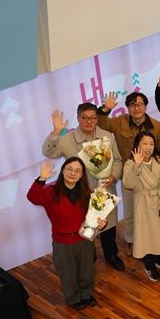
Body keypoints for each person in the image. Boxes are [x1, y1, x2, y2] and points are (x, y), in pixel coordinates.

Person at [42, 104, 125, 271]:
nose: (89, 121)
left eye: (93, 118)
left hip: (105, 190)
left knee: (108, 226)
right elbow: (49, 152)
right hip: (81, 193)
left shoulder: (107, 135)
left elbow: (117, 160)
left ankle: (111, 255)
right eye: (84, 118)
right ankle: (89, 257)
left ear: (97, 119)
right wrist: (56, 132)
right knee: (86, 227)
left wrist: (113, 176)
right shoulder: (68, 139)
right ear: (78, 118)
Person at [27, 158, 106, 310]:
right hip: (62, 243)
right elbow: (32, 197)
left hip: (84, 240)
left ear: (81, 175)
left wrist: (102, 224)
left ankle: (86, 295)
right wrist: (42, 178)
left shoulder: (87, 194)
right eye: (69, 169)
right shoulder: (50, 191)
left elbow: (97, 216)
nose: (73, 173)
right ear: (63, 170)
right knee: (68, 274)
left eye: (77, 171)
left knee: (87, 271)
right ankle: (73, 299)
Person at [98, 92, 160, 255]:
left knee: (152, 212)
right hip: (130, 177)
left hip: (151, 178)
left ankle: (151, 239)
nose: (136, 108)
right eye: (132, 105)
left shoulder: (157, 126)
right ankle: (131, 240)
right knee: (130, 212)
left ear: (146, 106)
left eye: (140, 104)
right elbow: (101, 123)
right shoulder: (119, 122)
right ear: (128, 107)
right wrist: (106, 109)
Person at [122, 131, 160, 281]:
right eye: (144, 143)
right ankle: (149, 265)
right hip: (143, 203)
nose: (148, 147)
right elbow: (128, 184)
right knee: (147, 235)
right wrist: (136, 166)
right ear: (137, 145)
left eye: (151, 144)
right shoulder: (130, 163)